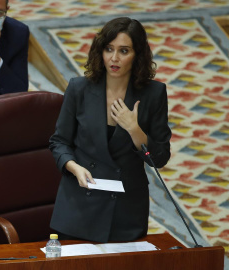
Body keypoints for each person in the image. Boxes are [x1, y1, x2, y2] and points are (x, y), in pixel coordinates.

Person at [49, 17, 172, 243]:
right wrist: (74, 167)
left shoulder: (153, 94)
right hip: (79, 204)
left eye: (124, 51)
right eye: (109, 49)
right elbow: (59, 142)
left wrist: (135, 130)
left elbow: (160, 158)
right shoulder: (79, 88)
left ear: (137, 55)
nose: (114, 58)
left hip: (125, 210)